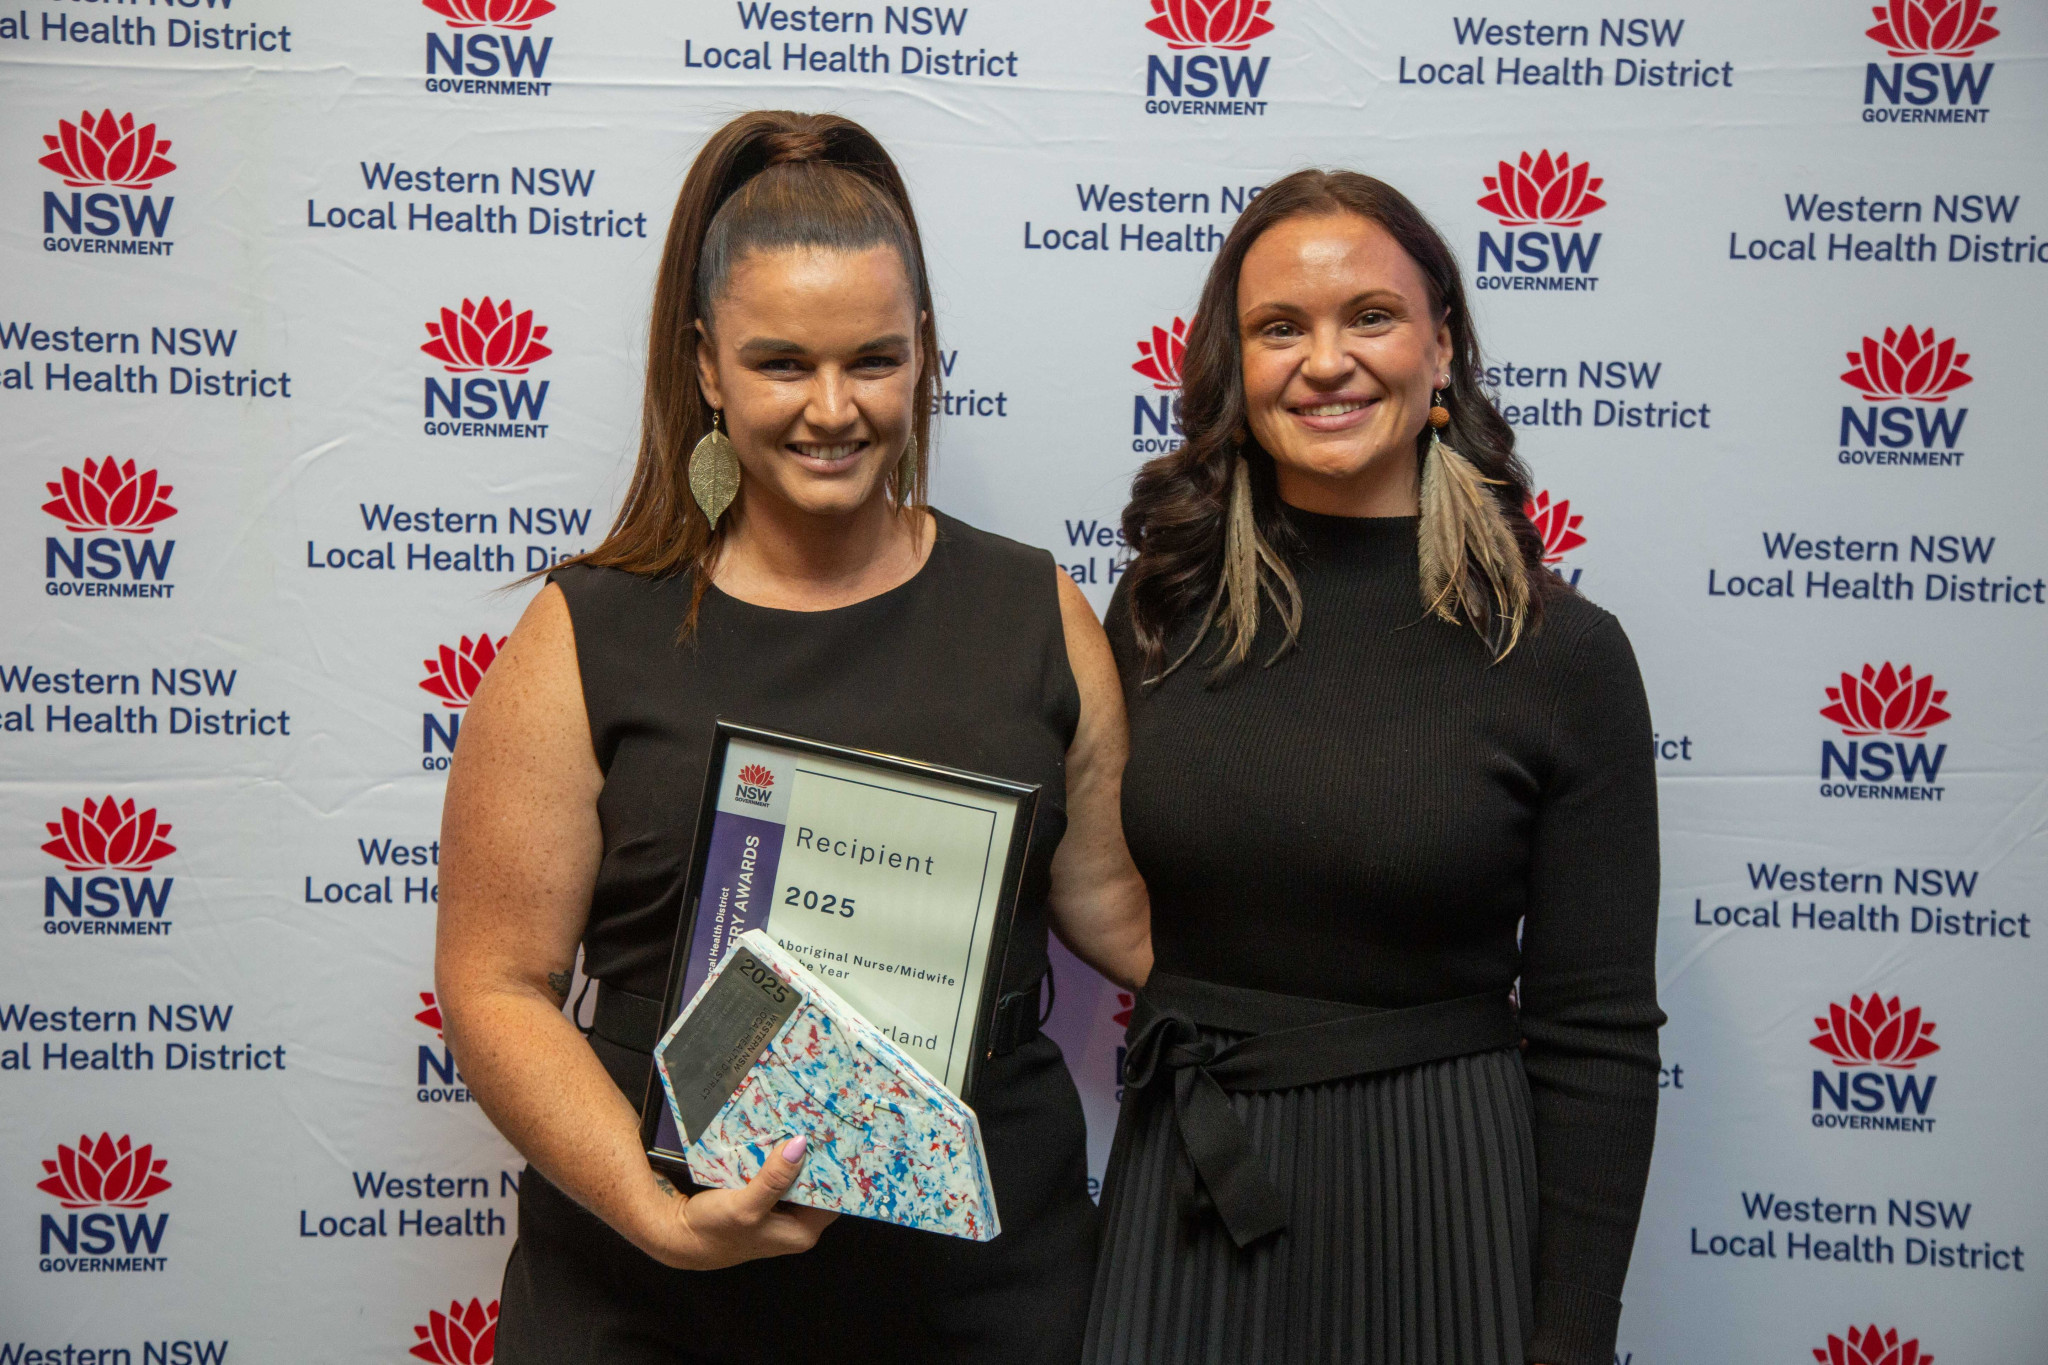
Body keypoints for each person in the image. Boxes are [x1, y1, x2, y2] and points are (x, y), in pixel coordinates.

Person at [434, 110, 1151, 1365]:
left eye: (873, 359)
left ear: (925, 351)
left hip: (979, 1287)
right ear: (706, 364)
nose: (833, 410)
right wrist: (656, 1213)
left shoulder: (1034, 610)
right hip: (648, 1287)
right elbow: (496, 984)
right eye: (780, 364)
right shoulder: (585, 632)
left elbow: (1121, 912)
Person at [1082, 169, 1664, 1365]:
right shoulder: (1154, 613)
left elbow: (1596, 1034)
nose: (1324, 360)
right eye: (1278, 328)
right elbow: (1074, 874)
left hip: (1443, 1193)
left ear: (1441, 350)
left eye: (1371, 318)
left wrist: (1569, 1338)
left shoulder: (1561, 653)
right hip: (1188, 1183)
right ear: (1232, 370)